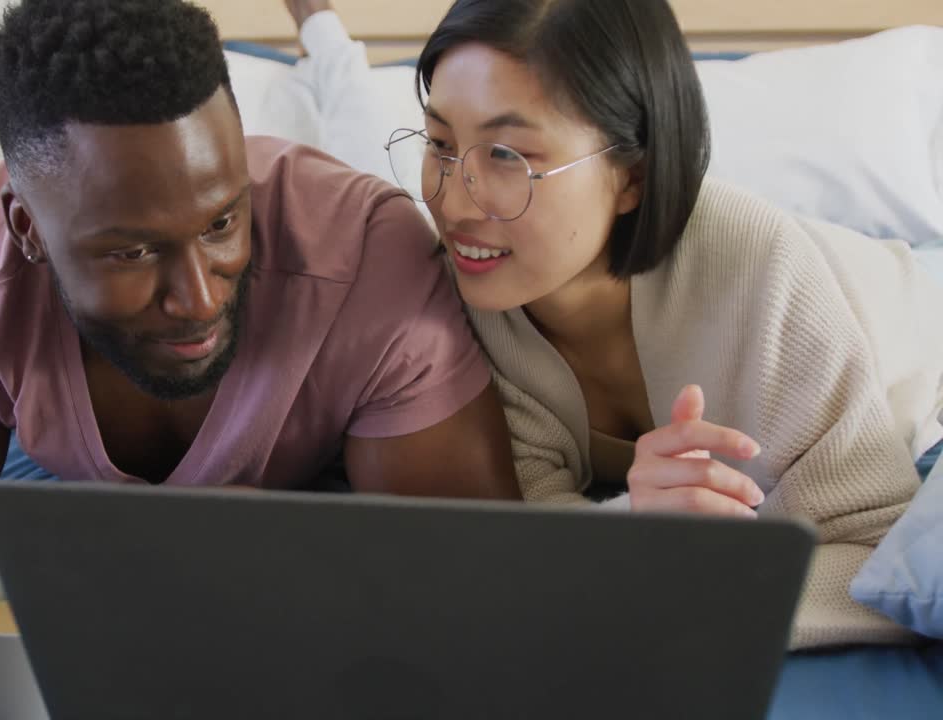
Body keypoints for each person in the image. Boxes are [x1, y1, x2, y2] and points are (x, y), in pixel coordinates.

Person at [0, 0, 520, 716]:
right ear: (28, 229)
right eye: (132, 251)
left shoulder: (372, 262)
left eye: (222, 222)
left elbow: (461, 568)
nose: (199, 298)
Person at [372, 0, 943, 651]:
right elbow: (534, 533)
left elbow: (879, 562)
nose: (452, 202)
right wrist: (632, 540)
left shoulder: (759, 272)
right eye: (441, 145)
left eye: (507, 154)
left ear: (632, 177)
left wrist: (676, 596)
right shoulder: (452, 302)